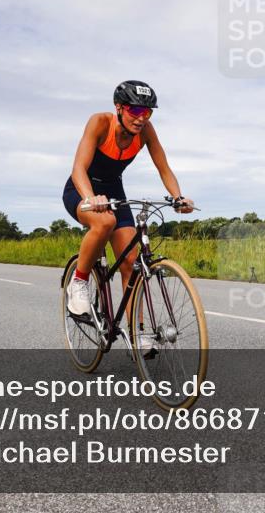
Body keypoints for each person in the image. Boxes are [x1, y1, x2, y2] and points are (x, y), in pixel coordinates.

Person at [62, 81, 194, 340]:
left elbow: (164, 168)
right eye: (135, 111)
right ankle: (78, 282)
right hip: (81, 188)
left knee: (131, 263)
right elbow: (78, 168)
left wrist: (178, 197)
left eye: (147, 112)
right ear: (119, 108)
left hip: (114, 191)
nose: (141, 118)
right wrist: (91, 198)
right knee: (104, 222)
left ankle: (137, 334)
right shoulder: (100, 122)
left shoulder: (146, 131)